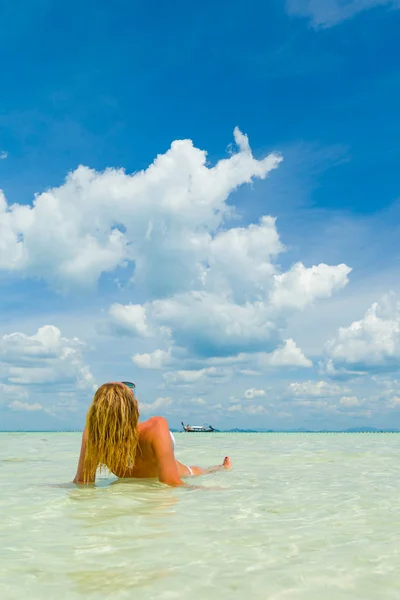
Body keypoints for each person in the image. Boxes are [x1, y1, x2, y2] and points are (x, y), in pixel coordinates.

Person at [73, 382, 231, 486]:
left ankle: (220, 468)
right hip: (170, 476)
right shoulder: (155, 427)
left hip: (184, 473)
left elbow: (82, 483)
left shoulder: (94, 434)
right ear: (133, 408)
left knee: (200, 471)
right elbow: (172, 485)